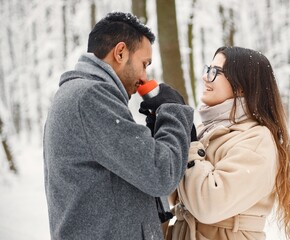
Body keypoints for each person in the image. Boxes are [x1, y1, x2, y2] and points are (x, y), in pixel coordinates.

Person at [43, 12, 194, 239]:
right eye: (144, 64)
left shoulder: (79, 94)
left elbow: (131, 172)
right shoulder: (90, 97)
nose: (144, 77)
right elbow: (162, 173)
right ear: (120, 52)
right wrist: (172, 111)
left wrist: (156, 127)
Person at [170, 46, 290, 240]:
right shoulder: (206, 131)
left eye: (215, 72)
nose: (206, 77)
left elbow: (208, 205)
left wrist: (188, 143)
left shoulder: (256, 140)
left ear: (241, 86)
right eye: (208, 69)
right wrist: (167, 135)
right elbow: (177, 195)